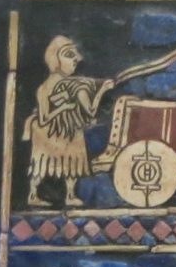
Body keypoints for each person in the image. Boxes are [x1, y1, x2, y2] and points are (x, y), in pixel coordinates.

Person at [25, 36, 112, 208]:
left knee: (73, 163)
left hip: (70, 128)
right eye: (69, 55)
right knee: (42, 163)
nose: (76, 60)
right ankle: (33, 194)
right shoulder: (44, 88)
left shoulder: (73, 84)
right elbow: (44, 118)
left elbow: (90, 111)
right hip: (48, 132)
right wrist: (64, 107)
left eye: (75, 55)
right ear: (55, 59)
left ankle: (70, 195)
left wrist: (101, 90)